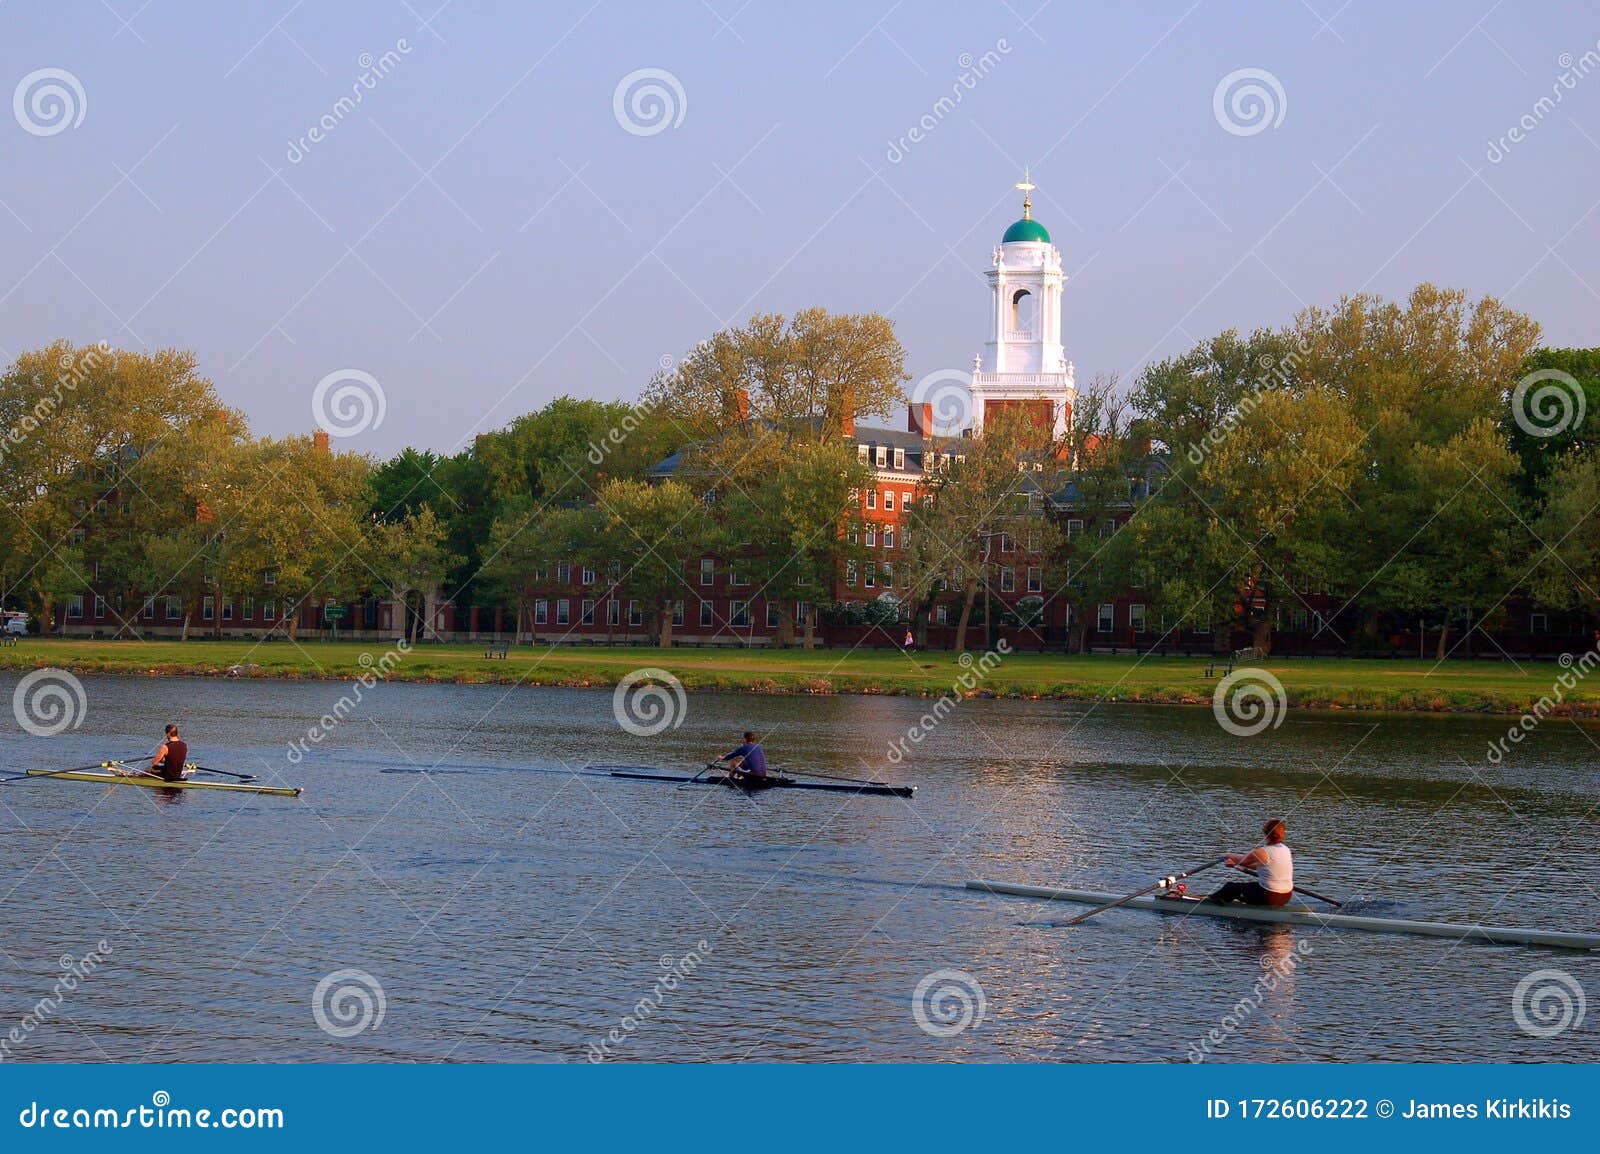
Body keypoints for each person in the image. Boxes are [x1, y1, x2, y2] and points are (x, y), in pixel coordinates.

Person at [1203, 818, 1293, 907]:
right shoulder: (1285, 849)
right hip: (1286, 896)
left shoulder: (1261, 852)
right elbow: (1261, 866)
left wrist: (1226, 855)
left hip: (1269, 897)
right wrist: (1236, 864)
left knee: (1230, 887)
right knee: (1248, 887)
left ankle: (1210, 903)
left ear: (1265, 833)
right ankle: (1222, 899)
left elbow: (1242, 861)